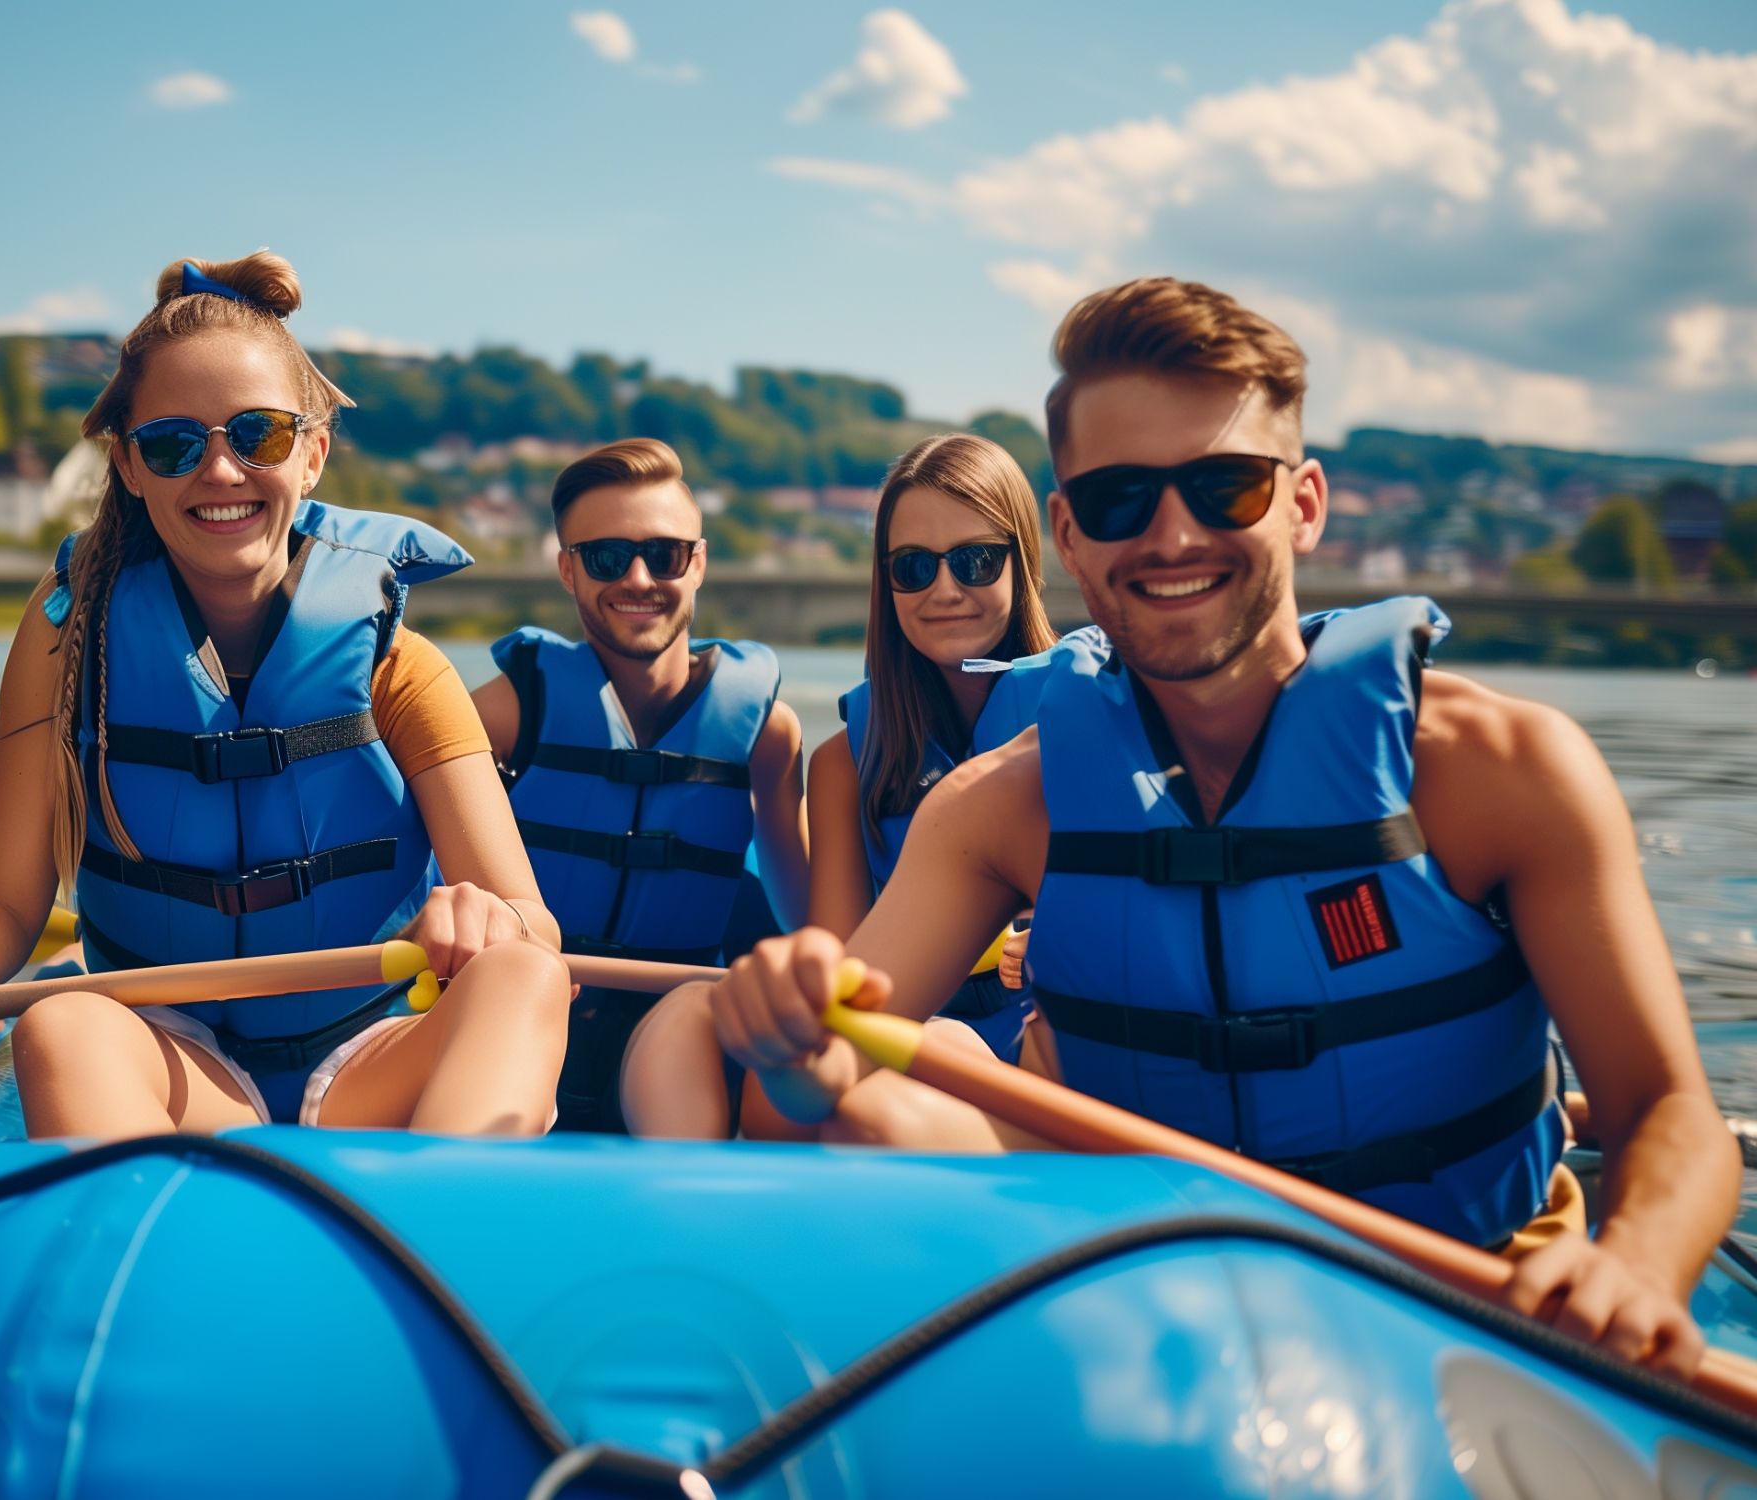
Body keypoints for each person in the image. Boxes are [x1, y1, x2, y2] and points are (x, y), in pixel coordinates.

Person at [680, 276, 1740, 1376]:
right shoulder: (997, 808)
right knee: (876, 1123)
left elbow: (1667, 1109)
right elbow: (806, 1096)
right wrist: (794, 1041)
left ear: (1304, 503)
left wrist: (1639, 1264)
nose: (1171, 533)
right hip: (1157, 1307)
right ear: (1067, 535)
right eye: (1118, 498)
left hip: (1467, 1298)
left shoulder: (1498, 771)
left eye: (1224, 485)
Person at [0, 252, 570, 1139]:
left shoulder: (403, 669)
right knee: (62, 1020)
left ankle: (436, 1232)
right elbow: (6, 902)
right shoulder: (65, 646)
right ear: (127, 466)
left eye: (259, 435)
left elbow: (530, 922)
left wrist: (491, 918)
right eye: (173, 444)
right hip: (173, 1058)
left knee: (525, 976)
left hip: (371, 1056)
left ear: (311, 455)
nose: (222, 471)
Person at [625, 433, 1074, 1139]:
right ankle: (694, 1223)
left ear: (1024, 562)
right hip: (884, 1025)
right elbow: (841, 956)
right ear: (885, 581)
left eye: (977, 561)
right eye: (914, 568)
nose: (945, 590)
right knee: (686, 1011)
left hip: (1032, 1050)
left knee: (936, 1049)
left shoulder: (1084, 729)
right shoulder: (845, 764)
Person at [467, 438, 808, 1133]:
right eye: (606, 557)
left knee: (687, 1013)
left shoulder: (768, 737)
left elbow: (805, 915)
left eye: (666, 554)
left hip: (681, 1025)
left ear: (700, 562)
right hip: (526, 1021)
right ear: (568, 571)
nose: (639, 577)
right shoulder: (506, 713)